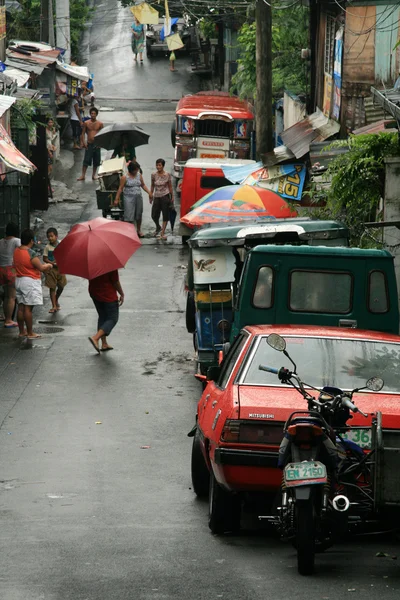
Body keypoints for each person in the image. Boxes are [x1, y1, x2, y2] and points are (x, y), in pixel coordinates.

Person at [13, 228, 52, 339]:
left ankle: (22, 331)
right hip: (29, 282)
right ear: (31, 240)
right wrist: (48, 265)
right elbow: (41, 267)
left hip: (19, 280)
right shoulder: (30, 253)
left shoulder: (16, 251)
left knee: (20, 307)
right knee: (28, 309)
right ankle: (30, 332)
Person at [88, 270, 124, 353]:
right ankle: (95, 338)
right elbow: (115, 281)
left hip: (95, 293)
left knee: (102, 317)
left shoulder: (91, 262)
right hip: (107, 294)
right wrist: (121, 293)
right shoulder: (109, 265)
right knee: (112, 318)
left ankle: (104, 344)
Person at [114, 162, 150, 237]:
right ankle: (129, 231)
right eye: (135, 170)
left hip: (138, 197)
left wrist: (149, 192)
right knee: (129, 215)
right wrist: (116, 199)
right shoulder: (124, 177)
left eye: (137, 170)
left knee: (139, 214)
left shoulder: (139, 175)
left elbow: (143, 185)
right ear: (131, 170)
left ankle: (139, 230)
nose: (136, 171)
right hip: (128, 197)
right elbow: (120, 188)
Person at [0, 222, 21, 327]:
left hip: (2, 269)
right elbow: (24, 251)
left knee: (6, 296)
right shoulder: (16, 241)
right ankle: (8, 320)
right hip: (11, 270)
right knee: (12, 297)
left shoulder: (1, 242)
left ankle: (6, 317)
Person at [43, 227, 67, 313]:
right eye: (48, 237)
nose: (50, 238)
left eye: (51, 236)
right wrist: (52, 263)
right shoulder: (47, 247)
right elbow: (44, 258)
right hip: (51, 269)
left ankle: (56, 299)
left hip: (60, 268)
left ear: (56, 236)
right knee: (52, 287)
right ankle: (53, 306)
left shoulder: (61, 244)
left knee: (61, 286)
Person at [77, 107, 104, 181]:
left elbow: (102, 134)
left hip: (97, 145)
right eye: (92, 113)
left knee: (96, 161)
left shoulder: (100, 124)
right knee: (86, 160)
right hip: (89, 144)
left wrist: (101, 144)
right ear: (90, 114)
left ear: (96, 114)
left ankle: (93, 175)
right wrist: (83, 142)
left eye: (94, 113)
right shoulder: (86, 123)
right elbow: (82, 134)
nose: (93, 115)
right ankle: (83, 175)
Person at [150, 158, 174, 240]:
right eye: (157, 165)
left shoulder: (167, 175)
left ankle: (162, 233)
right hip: (156, 196)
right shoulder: (153, 175)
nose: (158, 167)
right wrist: (151, 194)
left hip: (165, 196)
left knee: (165, 215)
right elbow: (152, 185)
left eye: (159, 165)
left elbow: (170, 186)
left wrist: (172, 196)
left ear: (163, 166)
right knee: (154, 215)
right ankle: (158, 227)